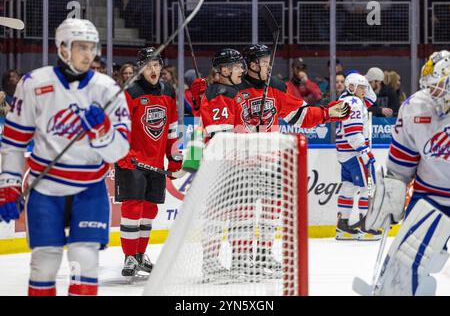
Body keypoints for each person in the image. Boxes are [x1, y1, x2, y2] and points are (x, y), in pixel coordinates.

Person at [0, 18, 130, 296]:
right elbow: (13, 140)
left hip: (90, 189)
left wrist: (103, 132)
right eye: (81, 47)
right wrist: (8, 185)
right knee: (44, 263)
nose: (88, 54)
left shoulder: (108, 89)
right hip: (45, 189)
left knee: (86, 261)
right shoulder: (34, 84)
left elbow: (119, 150)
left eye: (92, 47)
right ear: (62, 48)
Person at [198, 45, 350, 280]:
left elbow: (300, 115)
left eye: (269, 61)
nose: (269, 66)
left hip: (270, 160)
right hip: (241, 163)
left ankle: (262, 255)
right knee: (241, 212)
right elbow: (222, 120)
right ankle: (238, 260)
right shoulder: (234, 89)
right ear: (252, 65)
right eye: (265, 62)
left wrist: (328, 113)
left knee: (272, 210)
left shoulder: (276, 88)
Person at [364, 50, 450, 295]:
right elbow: (402, 162)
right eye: (430, 87)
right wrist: (393, 189)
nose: (433, 94)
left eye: (438, 88)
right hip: (431, 197)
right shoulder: (416, 107)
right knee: (404, 263)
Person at [114, 47, 182, 278]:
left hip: (155, 164)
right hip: (132, 162)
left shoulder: (168, 92)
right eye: (148, 66)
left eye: (156, 65)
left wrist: (174, 158)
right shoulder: (130, 92)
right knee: (132, 209)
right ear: (140, 68)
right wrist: (121, 152)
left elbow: (172, 128)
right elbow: (118, 126)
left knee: (149, 210)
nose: (153, 70)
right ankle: (129, 257)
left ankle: (140, 255)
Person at [335, 73, 382, 241]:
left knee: (348, 187)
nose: (365, 90)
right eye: (362, 87)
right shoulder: (355, 103)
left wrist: (362, 81)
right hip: (355, 153)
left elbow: (372, 98)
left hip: (344, 154)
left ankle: (342, 226)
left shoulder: (346, 99)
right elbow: (353, 133)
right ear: (352, 87)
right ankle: (365, 227)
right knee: (368, 187)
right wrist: (365, 152)